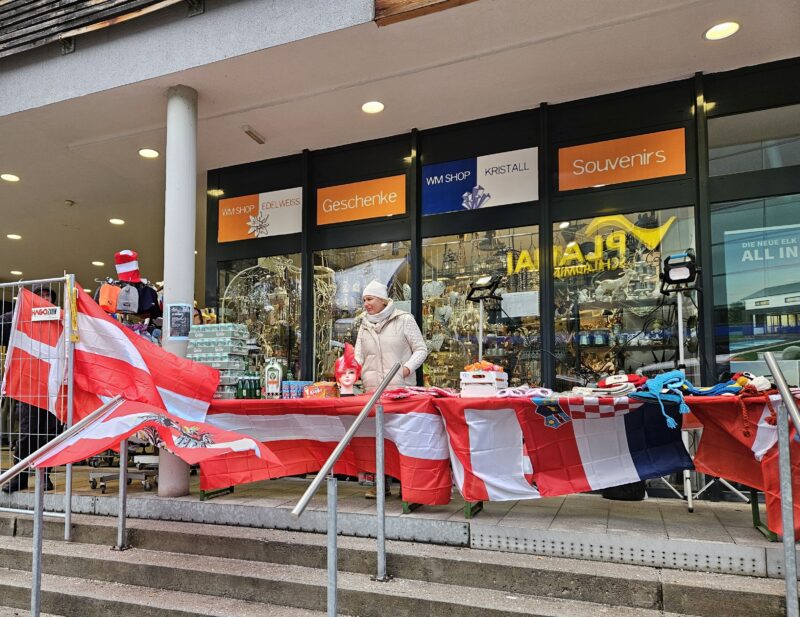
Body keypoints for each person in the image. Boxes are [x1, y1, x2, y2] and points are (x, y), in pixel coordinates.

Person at [354, 280, 428, 498]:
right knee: (378, 438)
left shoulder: (404, 320)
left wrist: (406, 369)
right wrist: (351, 369)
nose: (366, 304)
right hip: (372, 390)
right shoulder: (364, 325)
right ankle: (380, 483)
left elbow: (421, 349)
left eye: (369, 299)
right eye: (364, 300)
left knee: (402, 438)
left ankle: (408, 483)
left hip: (400, 390)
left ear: (382, 299)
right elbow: (358, 355)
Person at [2, 284, 64, 493]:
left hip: (54, 388)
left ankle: (44, 476)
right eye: (39, 296)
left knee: (51, 435)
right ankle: (19, 477)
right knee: (28, 434)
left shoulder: (59, 320)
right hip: (28, 388)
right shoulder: (20, 319)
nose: (44, 299)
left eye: (48, 296)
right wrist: (19, 310)